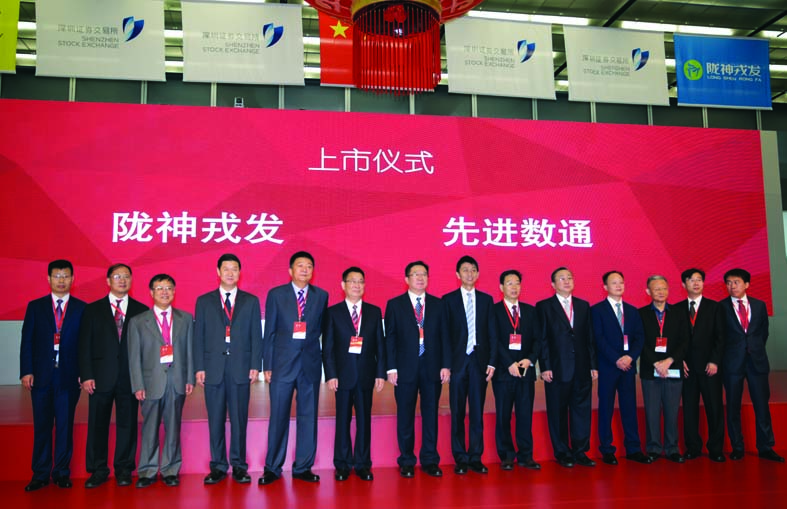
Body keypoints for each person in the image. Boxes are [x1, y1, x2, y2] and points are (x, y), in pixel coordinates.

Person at [260, 251, 329, 485]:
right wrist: (267, 364)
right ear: (290, 270)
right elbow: (270, 331)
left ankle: (303, 466)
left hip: (309, 364)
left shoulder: (321, 296)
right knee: (278, 415)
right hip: (282, 365)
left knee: (308, 416)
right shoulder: (276, 294)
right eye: (300, 266)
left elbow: (322, 331)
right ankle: (273, 467)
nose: (305, 270)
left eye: (309, 266)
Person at [194, 254, 263, 485]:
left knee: (239, 420)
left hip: (241, 369)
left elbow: (256, 335)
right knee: (215, 420)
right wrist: (199, 367)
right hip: (213, 368)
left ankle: (239, 466)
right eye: (226, 269)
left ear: (239, 273)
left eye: (234, 269)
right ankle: (218, 466)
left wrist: (255, 365)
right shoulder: (204, 301)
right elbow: (198, 336)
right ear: (218, 271)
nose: (230, 273)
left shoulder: (251, 301)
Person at [78, 263, 149, 487]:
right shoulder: (92, 310)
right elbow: (84, 345)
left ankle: (124, 468)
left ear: (131, 280)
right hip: (100, 377)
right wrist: (86, 374)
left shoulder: (141, 310)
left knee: (127, 424)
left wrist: (142, 378)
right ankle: (98, 469)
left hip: (129, 377)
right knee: (97, 424)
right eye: (117, 276)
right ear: (108, 281)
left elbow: (145, 348)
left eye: (126, 276)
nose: (122, 280)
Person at [20, 260, 86, 491]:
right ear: (48, 279)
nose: (61, 280)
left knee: (65, 427)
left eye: (65, 276)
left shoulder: (81, 308)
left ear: (72, 279)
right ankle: (40, 474)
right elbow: (27, 341)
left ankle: (61, 473)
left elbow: (85, 345)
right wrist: (26, 370)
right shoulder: (35, 307)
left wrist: (84, 373)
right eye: (57, 276)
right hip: (41, 376)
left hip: (69, 376)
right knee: (42, 426)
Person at [128, 274, 194, 488]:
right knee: (149, 429)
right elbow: (134, 357)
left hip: (177, 381)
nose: (165, 292)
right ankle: (147, 470)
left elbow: (190, 351)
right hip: (150, 384)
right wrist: (138, 384)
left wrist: (189, 378)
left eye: (168, 288)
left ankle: (170, 469)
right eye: (159, 288)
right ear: (151, 292)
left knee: (173, 428)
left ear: (174, 292)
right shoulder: (138, 322)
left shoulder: (185, 319)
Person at [385, 261, 450, 478]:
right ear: (407, 279)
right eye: (415, 274)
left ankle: (430, 459)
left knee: (431, 414)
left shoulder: (439, 304)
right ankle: (406, 460)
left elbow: (445, 337)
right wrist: (391, 368)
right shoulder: (395, 305)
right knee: (405, 415)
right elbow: (390, 338)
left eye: (424, 274)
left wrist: (446, 364)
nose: (420, 278)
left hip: (432, 367)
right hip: (405, 368)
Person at [322, 267, 385, 481]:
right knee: (343, 420)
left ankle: (362, 464)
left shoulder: (374, 312)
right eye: (352, 281)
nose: (357, 285)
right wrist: (331, 374)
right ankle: (342, 464)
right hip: (342, 376)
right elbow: (328, 347)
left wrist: (380, 373)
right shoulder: (333, 312)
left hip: (366, 374)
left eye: (360, 281)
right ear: (343, 285)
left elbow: (380, 345)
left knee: (364, 422)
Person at [720, 268, 783, 462]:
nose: (732, 286)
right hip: (732, 363)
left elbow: (763, 333)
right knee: (733, 406)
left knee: (762, 406)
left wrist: (754, 349)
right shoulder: (720, 307)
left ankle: (765, 447)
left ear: (746, 284)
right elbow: (719, 337)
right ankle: (737, 447)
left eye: (736, 282)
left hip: (757, 362)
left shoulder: (759, 305)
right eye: (728, 283)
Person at [536, 267, 597, 468]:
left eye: (569, 277)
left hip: (581, 367)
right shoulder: (544, 306)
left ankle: (580, 451)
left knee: (581, 411)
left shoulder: (583, 305)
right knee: (558, 411)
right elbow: (542, 339)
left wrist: (593, 365)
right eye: (561, 278)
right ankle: (562, 452)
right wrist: (545, 366)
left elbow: (589, 338)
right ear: (553, 284)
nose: (567, 281)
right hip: (556, 368)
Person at [442, 256, 497, 475]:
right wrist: (446, 365)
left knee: (476, 411)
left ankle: (475, 456)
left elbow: (493, 333)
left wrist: (492, 361)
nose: (469, 273)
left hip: (479, 362)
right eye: (465, 270)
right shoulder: (448, 300)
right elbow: (445, 336)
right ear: (457, 274)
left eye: (473, 270)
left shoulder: (486, 300)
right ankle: (460, 457)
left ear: (478, 274)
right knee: (457, 412)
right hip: (458, 363)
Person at [591, 271, 651, 465]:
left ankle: (633, 448)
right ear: (605, 287)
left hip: (628, 367)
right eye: (614, 283)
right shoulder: (597, 310)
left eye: (621, 282)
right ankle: (607, 449)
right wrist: (616, 359)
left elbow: (639, 337)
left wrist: (630, 357)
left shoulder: (632, 311)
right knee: (606, 409)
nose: (618, 286)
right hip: (608, 367)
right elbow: (598, 338)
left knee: (629, 408)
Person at [491, 269, 541, 471]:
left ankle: (526, 455)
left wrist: (530, 360)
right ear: (501, 287)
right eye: (509, 283)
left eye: (517, 283)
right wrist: (508, 363)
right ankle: (506, 455)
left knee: (525, 414)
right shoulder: (494, 311)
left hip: (525, 371)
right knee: (503, 415)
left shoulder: (530, 311)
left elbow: (538, 340)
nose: (514, 287)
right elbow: (493, 340)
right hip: (504, 373)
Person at [677, 269, 726, 462]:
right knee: (689, 409)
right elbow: (674, 339)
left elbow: (721, 337)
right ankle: (693, 447)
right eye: (691, 280)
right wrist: (679, 360)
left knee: (714, 408)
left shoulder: (715, 307)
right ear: (684, 284)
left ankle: (716, 448)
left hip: (709, 367)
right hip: (687, 368)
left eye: (699, 280)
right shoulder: (677, 309)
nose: (696, 283)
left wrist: (714, 361)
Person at [638, 276, 688, 463]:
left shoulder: (679, 313)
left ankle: (672, 448)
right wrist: (656, 363)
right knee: (652, 412)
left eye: (664, 288)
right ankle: (653, 448)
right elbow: (640, 342)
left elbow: (685, 341)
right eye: (656, 289)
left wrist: (669, 360)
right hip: (650, 370)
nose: (661, 292)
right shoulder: (641, 314)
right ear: (648, 292)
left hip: (673, 368)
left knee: (672, 411)